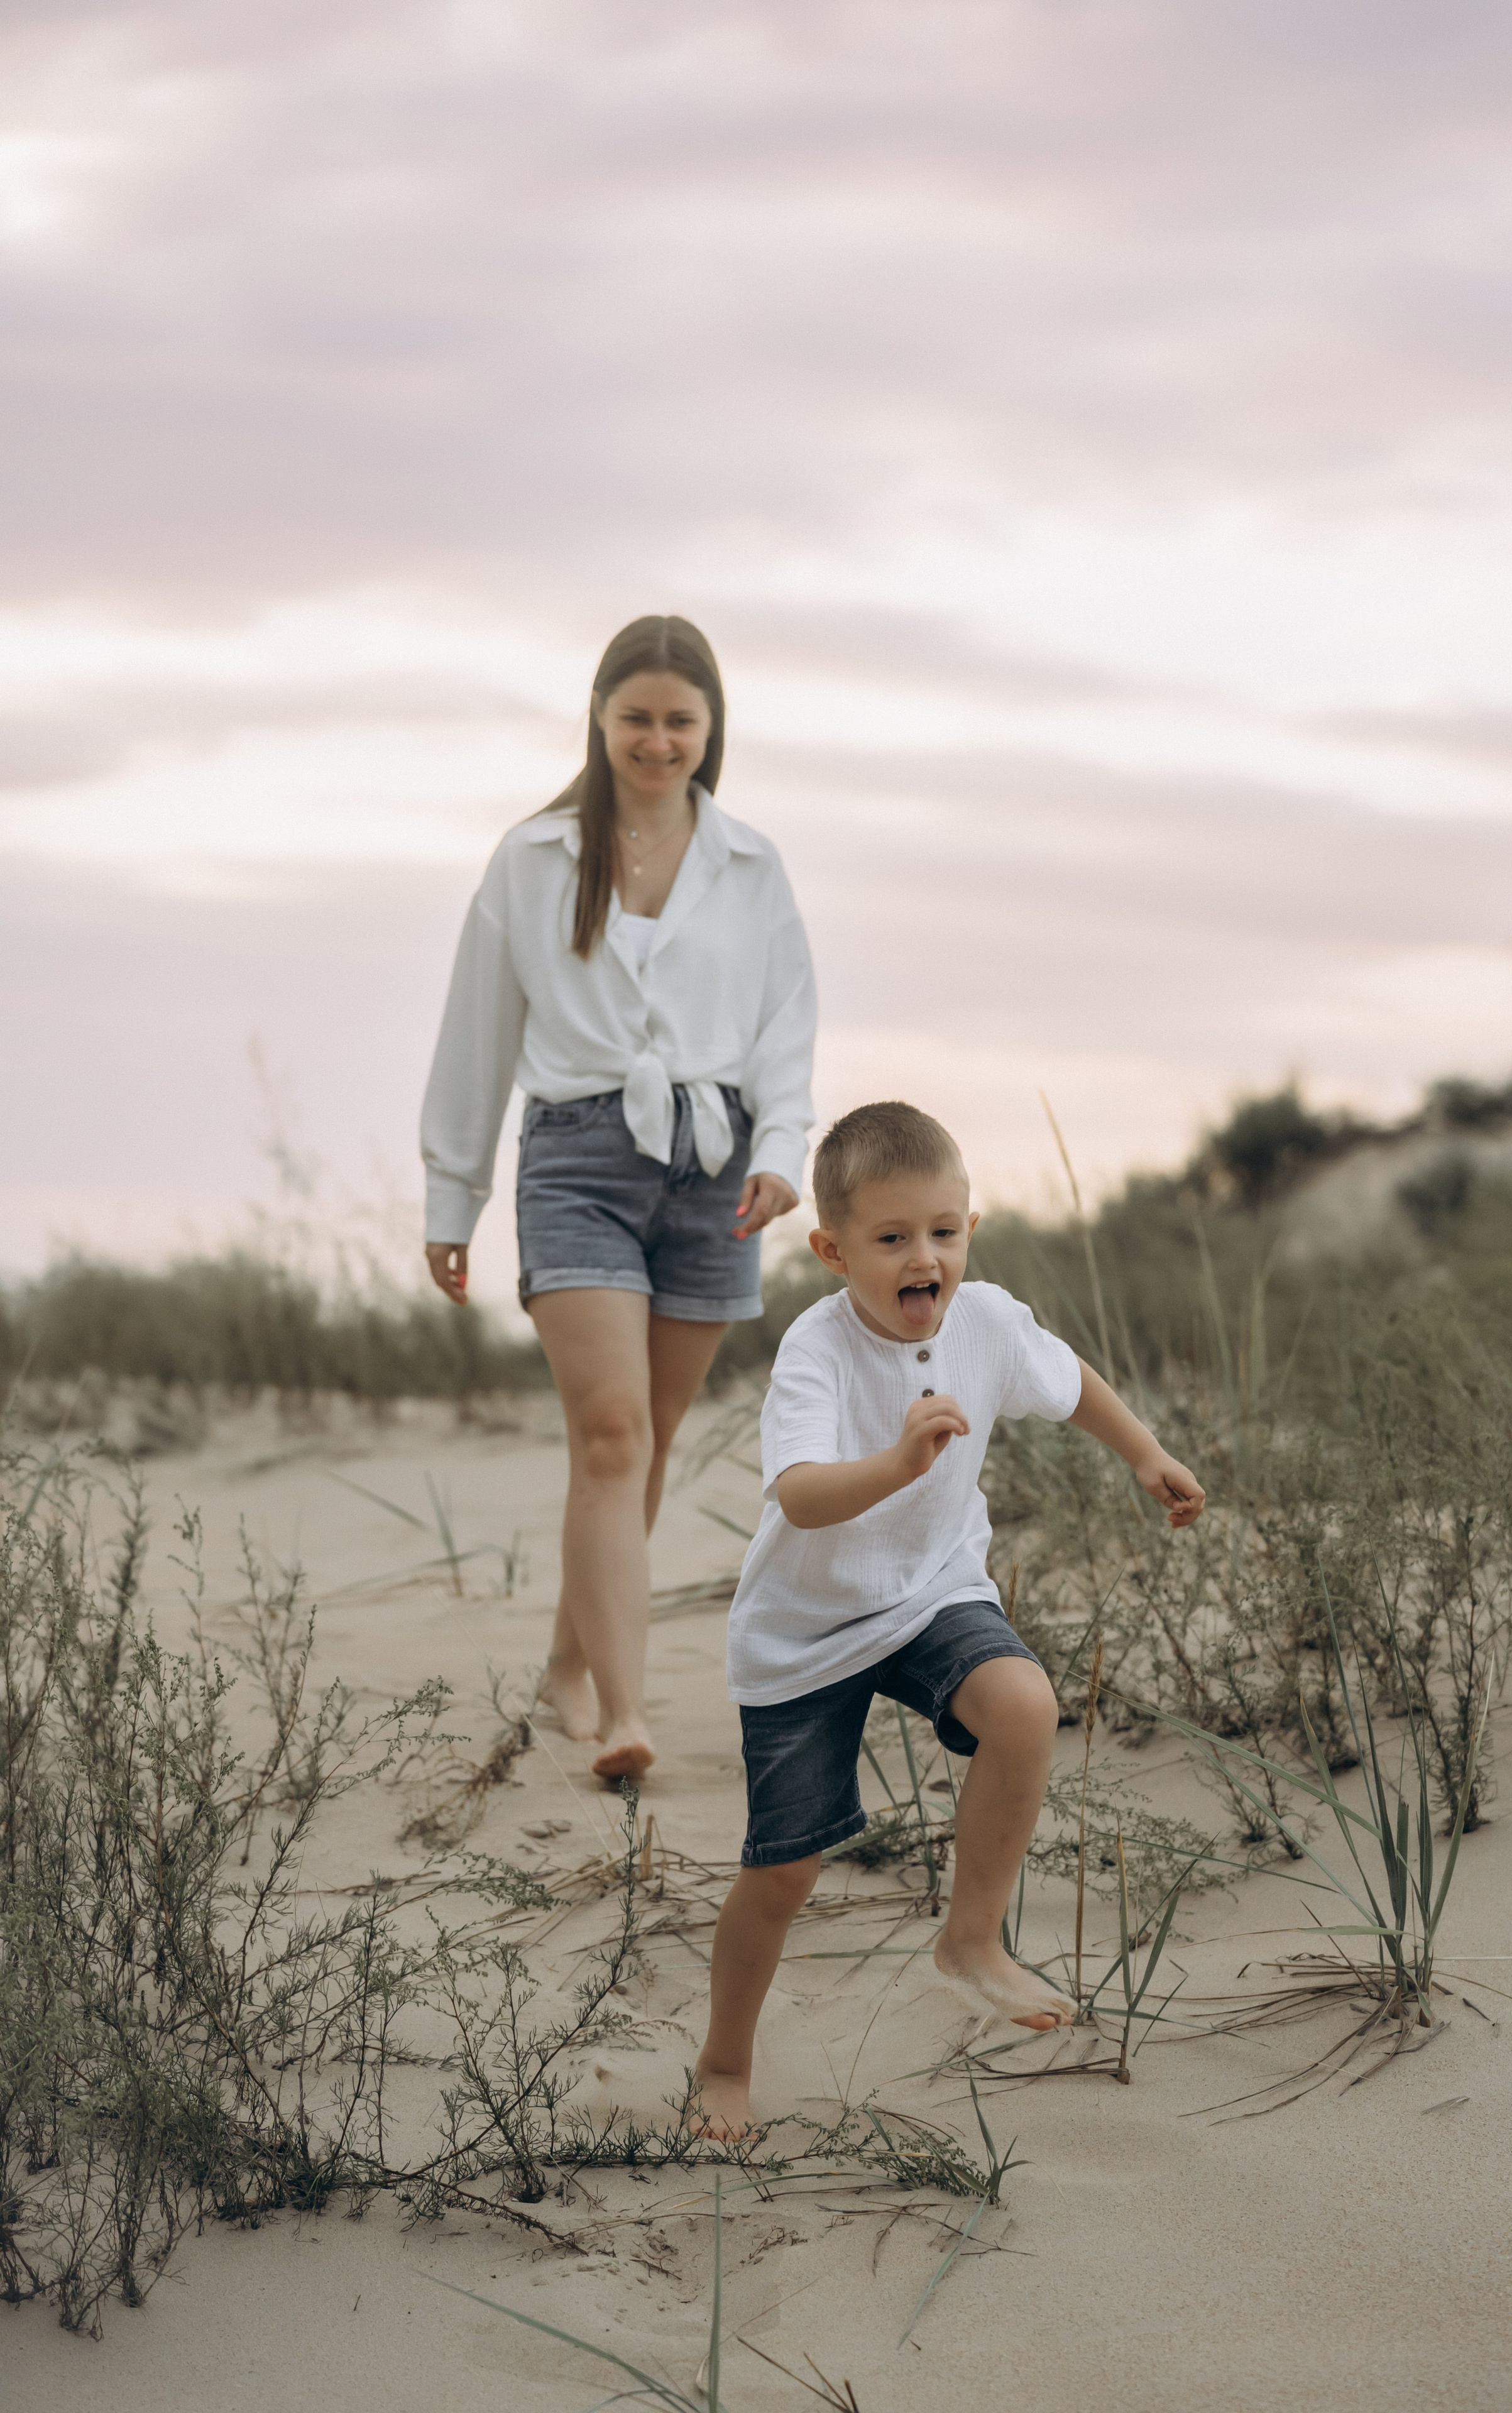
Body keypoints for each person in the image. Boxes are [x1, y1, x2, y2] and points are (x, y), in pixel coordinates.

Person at [691, 1100, 1205, 2138]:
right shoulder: (818, 1350)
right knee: (785, 1868)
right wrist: (898, 1462)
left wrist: (1144, 1452)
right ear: (835, 1250)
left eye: (945, 1231)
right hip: (807, 1631)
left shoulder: (987, 1322)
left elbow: (1071, 1384)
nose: (924, 1257)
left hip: (932, 1590)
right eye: (892, 1239)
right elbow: (798, 1496)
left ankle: (972, 1940)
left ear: (971, 1227)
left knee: (1022, 1703)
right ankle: (724, 2060)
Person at [420, 616, 816, 1784]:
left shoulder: (751, 865)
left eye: (679, 721)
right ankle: (627, 1713)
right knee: (608, 1433)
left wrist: (783, 1148)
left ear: (711, 730)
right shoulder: (533, 857)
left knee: (641, 1455)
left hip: (715, 1166)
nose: (658, 740)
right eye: (637, 717)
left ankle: (568, 1662)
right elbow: (476, 1034)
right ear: (600, 717)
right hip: (578, 1159)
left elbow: (788, 1022)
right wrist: (456, 1197)